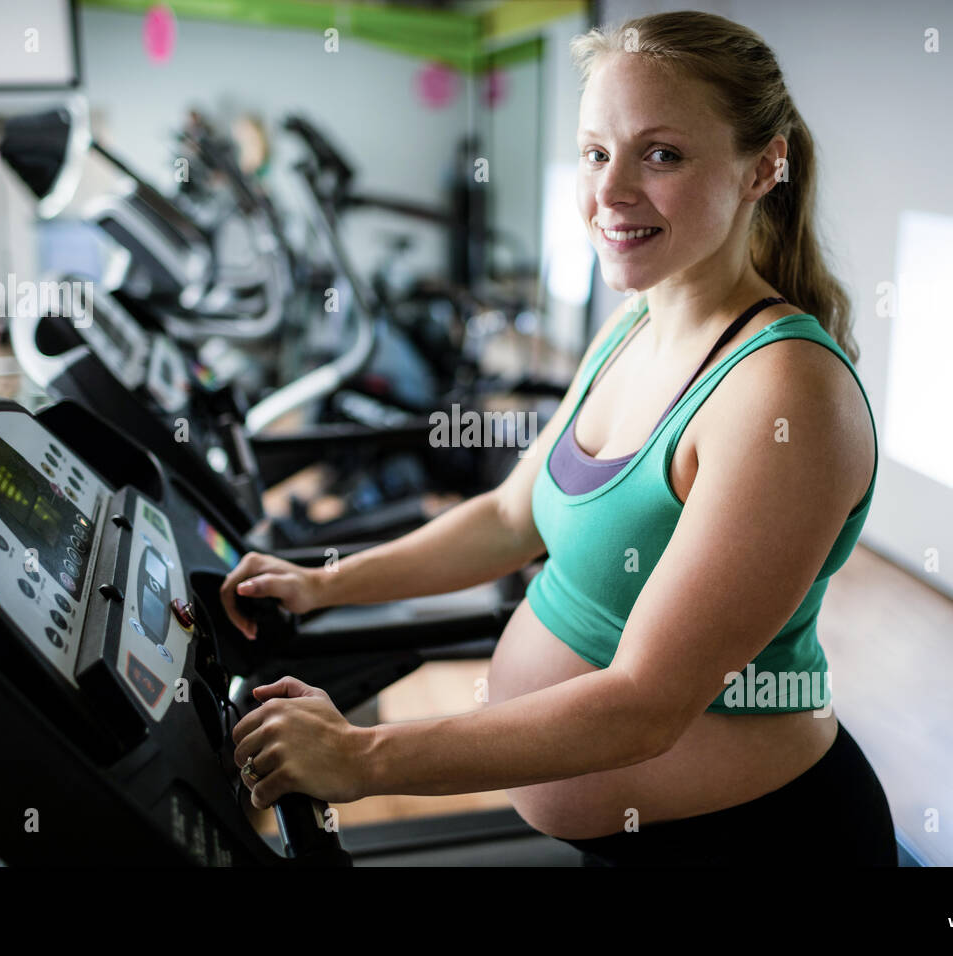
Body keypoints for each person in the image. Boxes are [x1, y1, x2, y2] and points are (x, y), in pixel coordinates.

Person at [221, 10, 897, 867]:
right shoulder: (631, 325)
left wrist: (361, 756)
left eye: (662, 154)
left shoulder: (785, 392)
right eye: (595, 152)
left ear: (764, 166)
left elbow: (647, 705)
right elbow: (510, 518)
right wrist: (327, 584)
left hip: (751, 844)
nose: (611, 192)